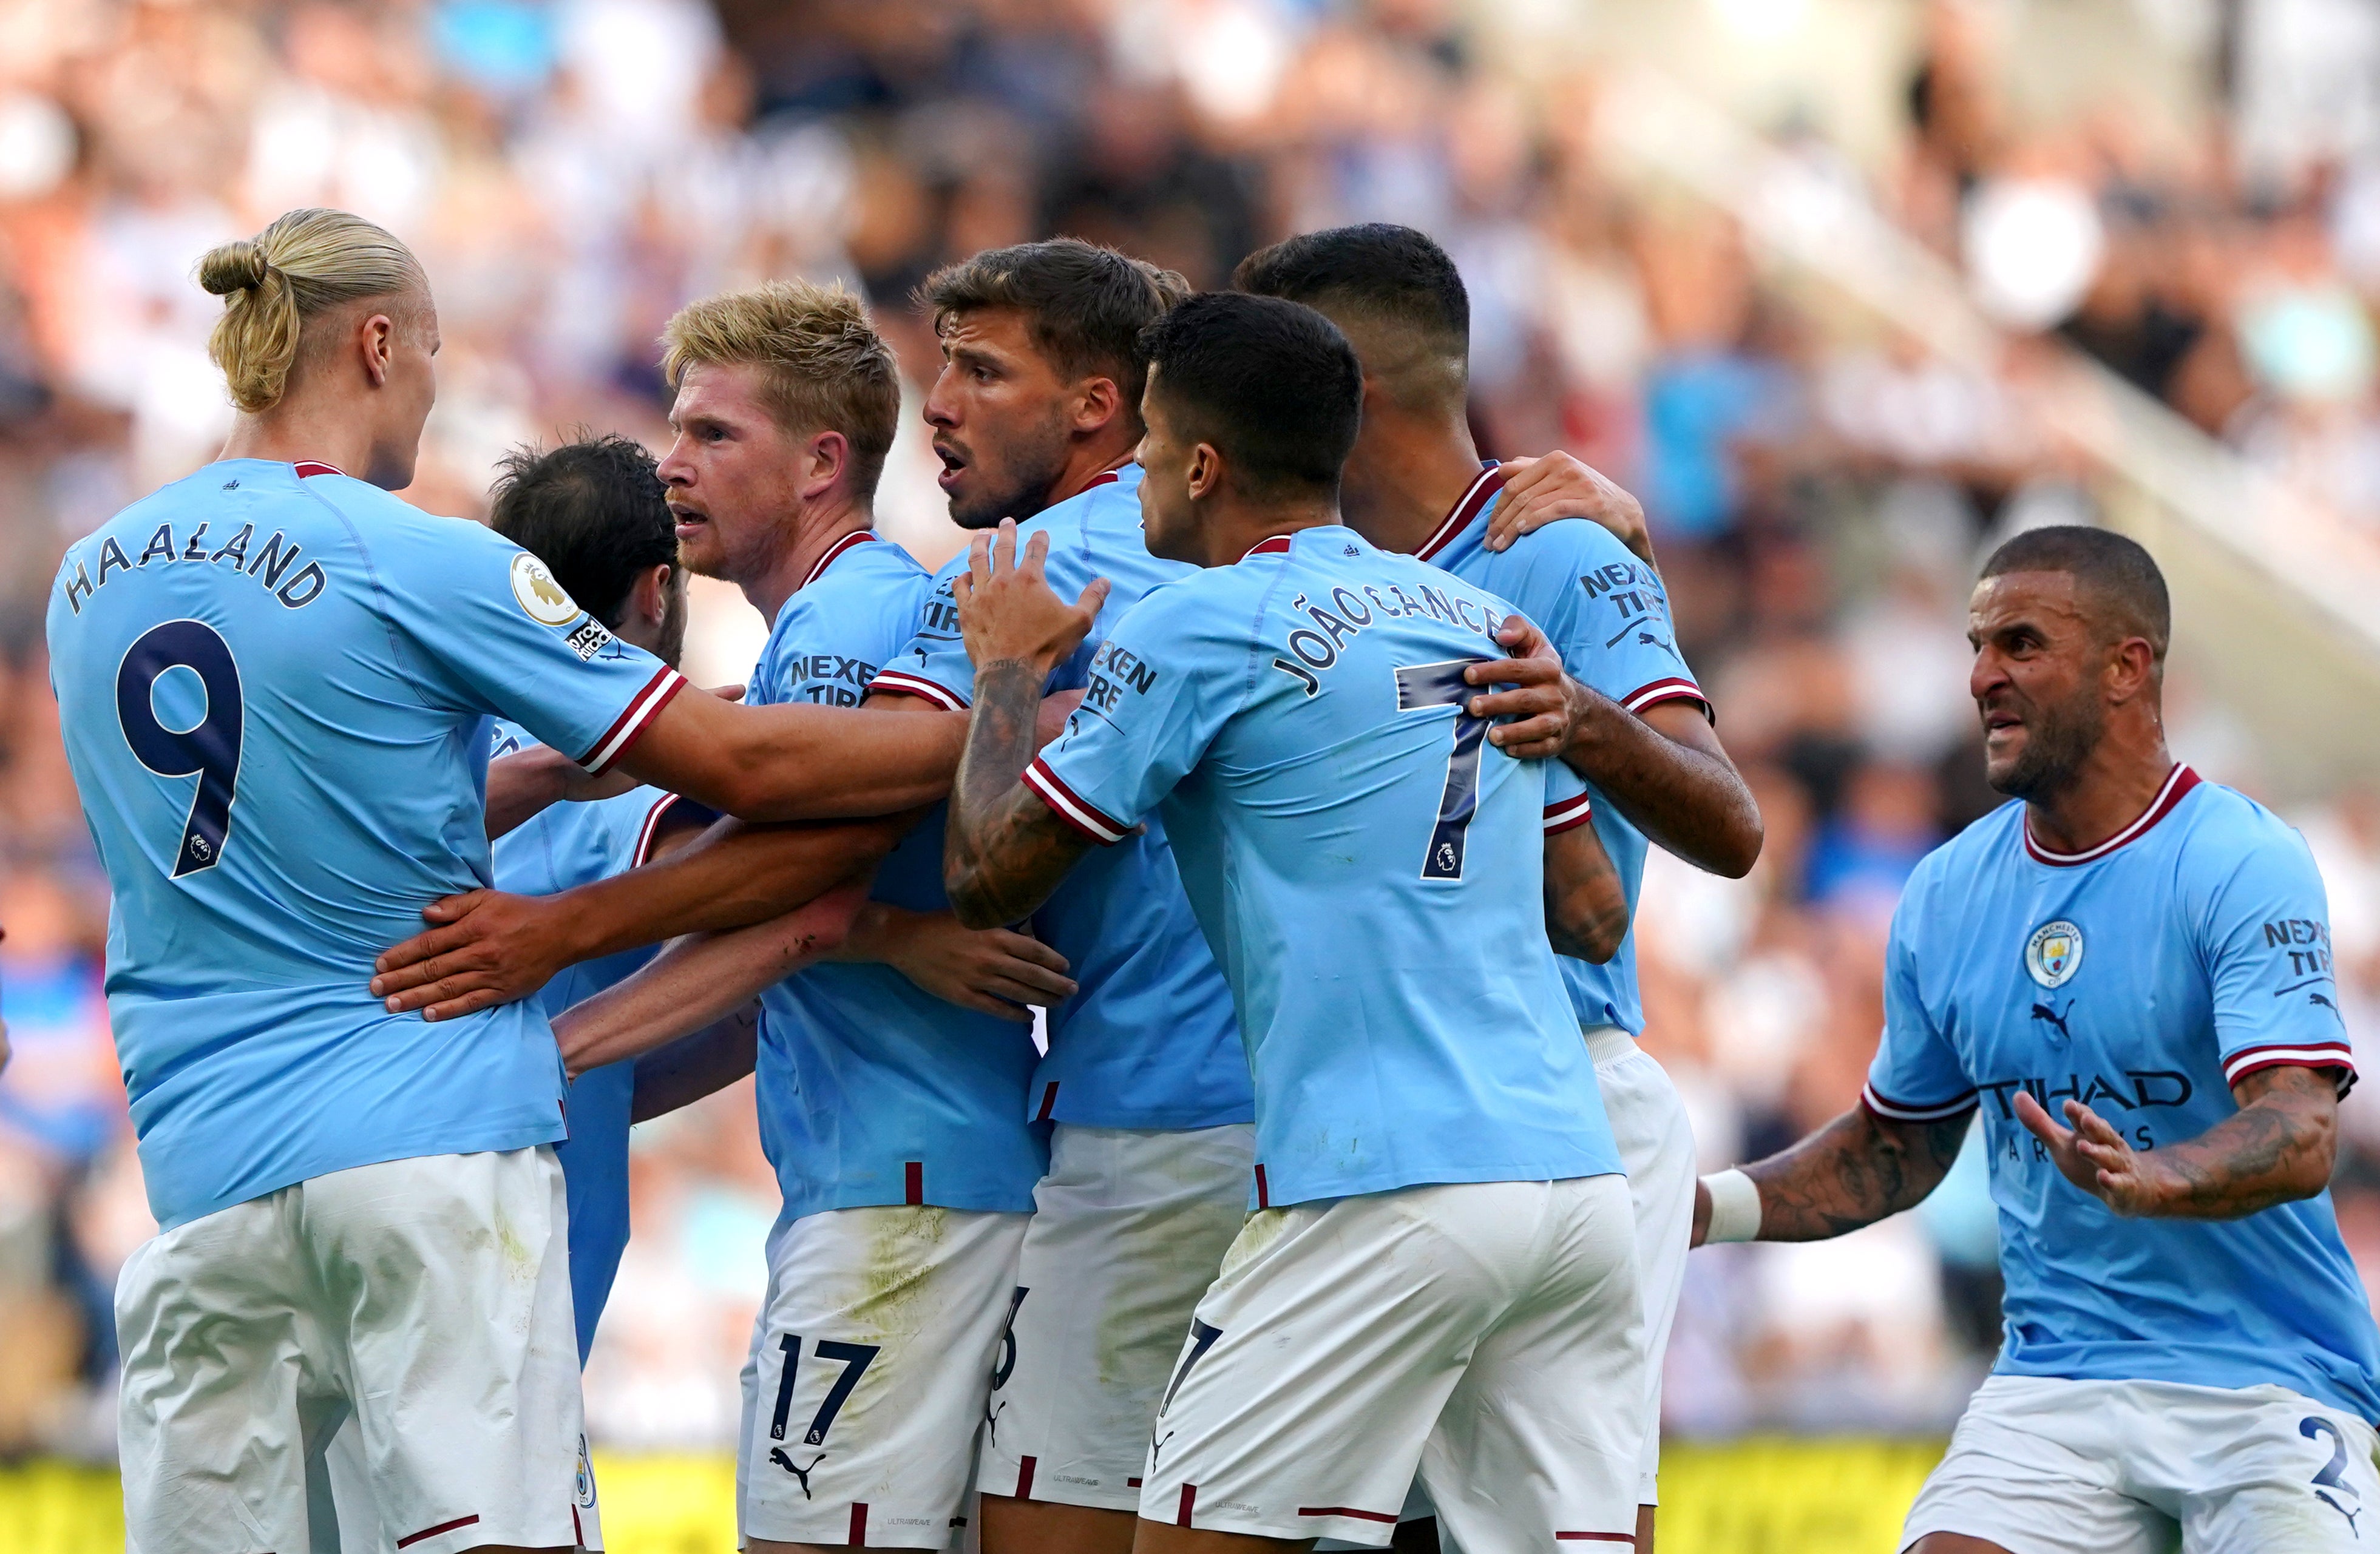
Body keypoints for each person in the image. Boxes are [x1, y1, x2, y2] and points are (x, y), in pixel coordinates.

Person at [42, 208, 962, 1554]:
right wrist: (997, 725)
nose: (431, 387)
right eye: (428, 351)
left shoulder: (86, 580)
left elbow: (243, 821)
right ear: (375, 344)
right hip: (427, 1145)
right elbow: (744, 771)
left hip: (203, 1168)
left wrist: (534, 782)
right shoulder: (418, 554)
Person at [944, 291, 1647, 1553]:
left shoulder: (1196, 623)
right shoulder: (1469, 615)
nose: (1144, 474)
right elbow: (1591, 914)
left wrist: (1003, 670)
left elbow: (988, 874)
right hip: (1572, 1181)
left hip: (1381, 1181)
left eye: (1153, 446)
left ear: (1201, 465)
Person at [1691, 525, 2378, 1553]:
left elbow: (2298, 1124)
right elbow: (1892, 1148)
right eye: (1976, 645)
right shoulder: (1945, 892)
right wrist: (1701, 1206)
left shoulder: (2240, 860)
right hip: (2057, 1379)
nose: (1978, 677)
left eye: (2018, 643)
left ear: (2124, 666)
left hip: (2264, 1379)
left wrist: (2161, 1176)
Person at [1233, 222, 1763, 1552]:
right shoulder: (1300, 578)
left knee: (1552, 1527)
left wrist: (1576, 719)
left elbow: (1726, 823)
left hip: (1556, 1080)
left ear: (1342, 388)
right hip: (1375, 1100)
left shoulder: (1561, 557)